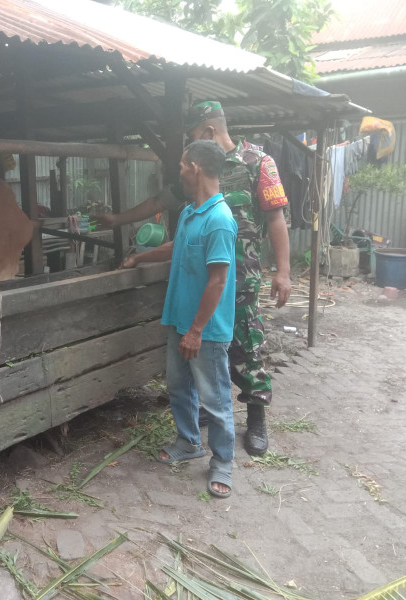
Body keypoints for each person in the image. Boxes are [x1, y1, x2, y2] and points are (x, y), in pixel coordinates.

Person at [97, 101, 292, 456]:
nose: (188, 146)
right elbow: (159, 200)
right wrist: (118, 220)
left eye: (192, 136)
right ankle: (208, 410)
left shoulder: (258, 162)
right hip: (202, 275)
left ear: (208, 131)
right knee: (207, 348)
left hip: (241, 275)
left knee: (246, 344)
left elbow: (276, 219)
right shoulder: (197, 173)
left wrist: (283, 272)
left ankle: (256, 415)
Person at [129, 140, 237, 498]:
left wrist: (196, 330)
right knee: (178, 387)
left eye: (181, 166)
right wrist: (139, 258)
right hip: (180, 322)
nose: (178, 172)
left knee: (215, 399)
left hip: (205, 330)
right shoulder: (192, 212)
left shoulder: (219, 220)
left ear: (195, 168)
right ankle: (189, 442)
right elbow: (176, 247)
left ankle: (223, 463)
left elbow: (218, 281)